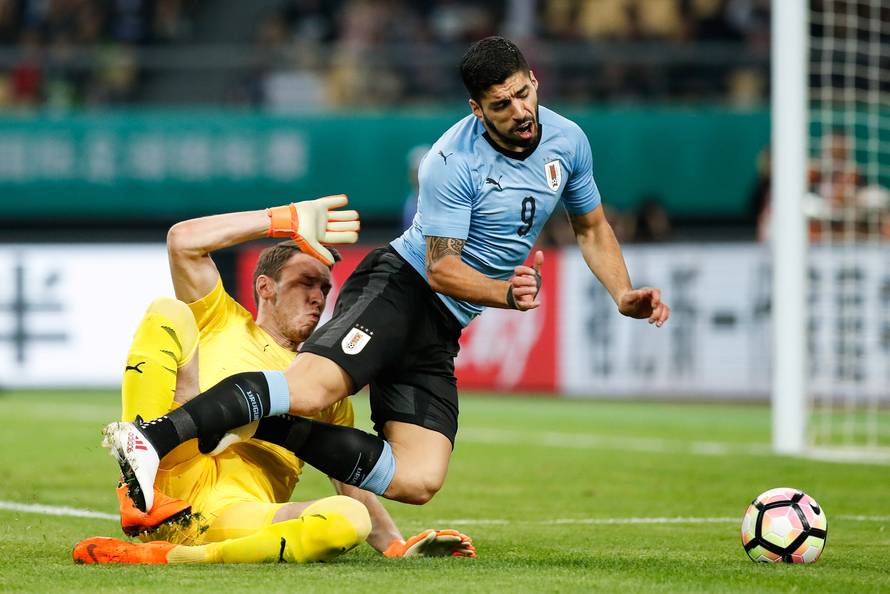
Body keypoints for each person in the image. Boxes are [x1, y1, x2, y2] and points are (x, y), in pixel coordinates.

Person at [104, 36, 671, 512]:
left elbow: (592, 228)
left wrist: (621, 293)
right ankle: (150, 440)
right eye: (502, 105)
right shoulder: (451, 162)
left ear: (534, 80)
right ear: (478, 110)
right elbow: (445, 270)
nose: (520, 111)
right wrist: (503, 291)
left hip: (440, 328)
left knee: (420, 480)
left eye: (523, 94)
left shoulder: (568, 141)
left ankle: (260, 426)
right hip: (400, 287)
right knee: (313, 388)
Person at [75, 196, 474, 564]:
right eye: (306, 283)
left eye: (324, 288)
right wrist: (281, 221)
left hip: (236, 515)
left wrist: (395, 546)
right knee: (168, 310)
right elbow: (183, 241)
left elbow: (349, 483)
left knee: (349, 518)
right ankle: (137, 482)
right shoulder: (221, 318)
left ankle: (170, 556)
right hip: (175, 475)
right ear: (265, 287)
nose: (319, 297)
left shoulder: (326, 387)